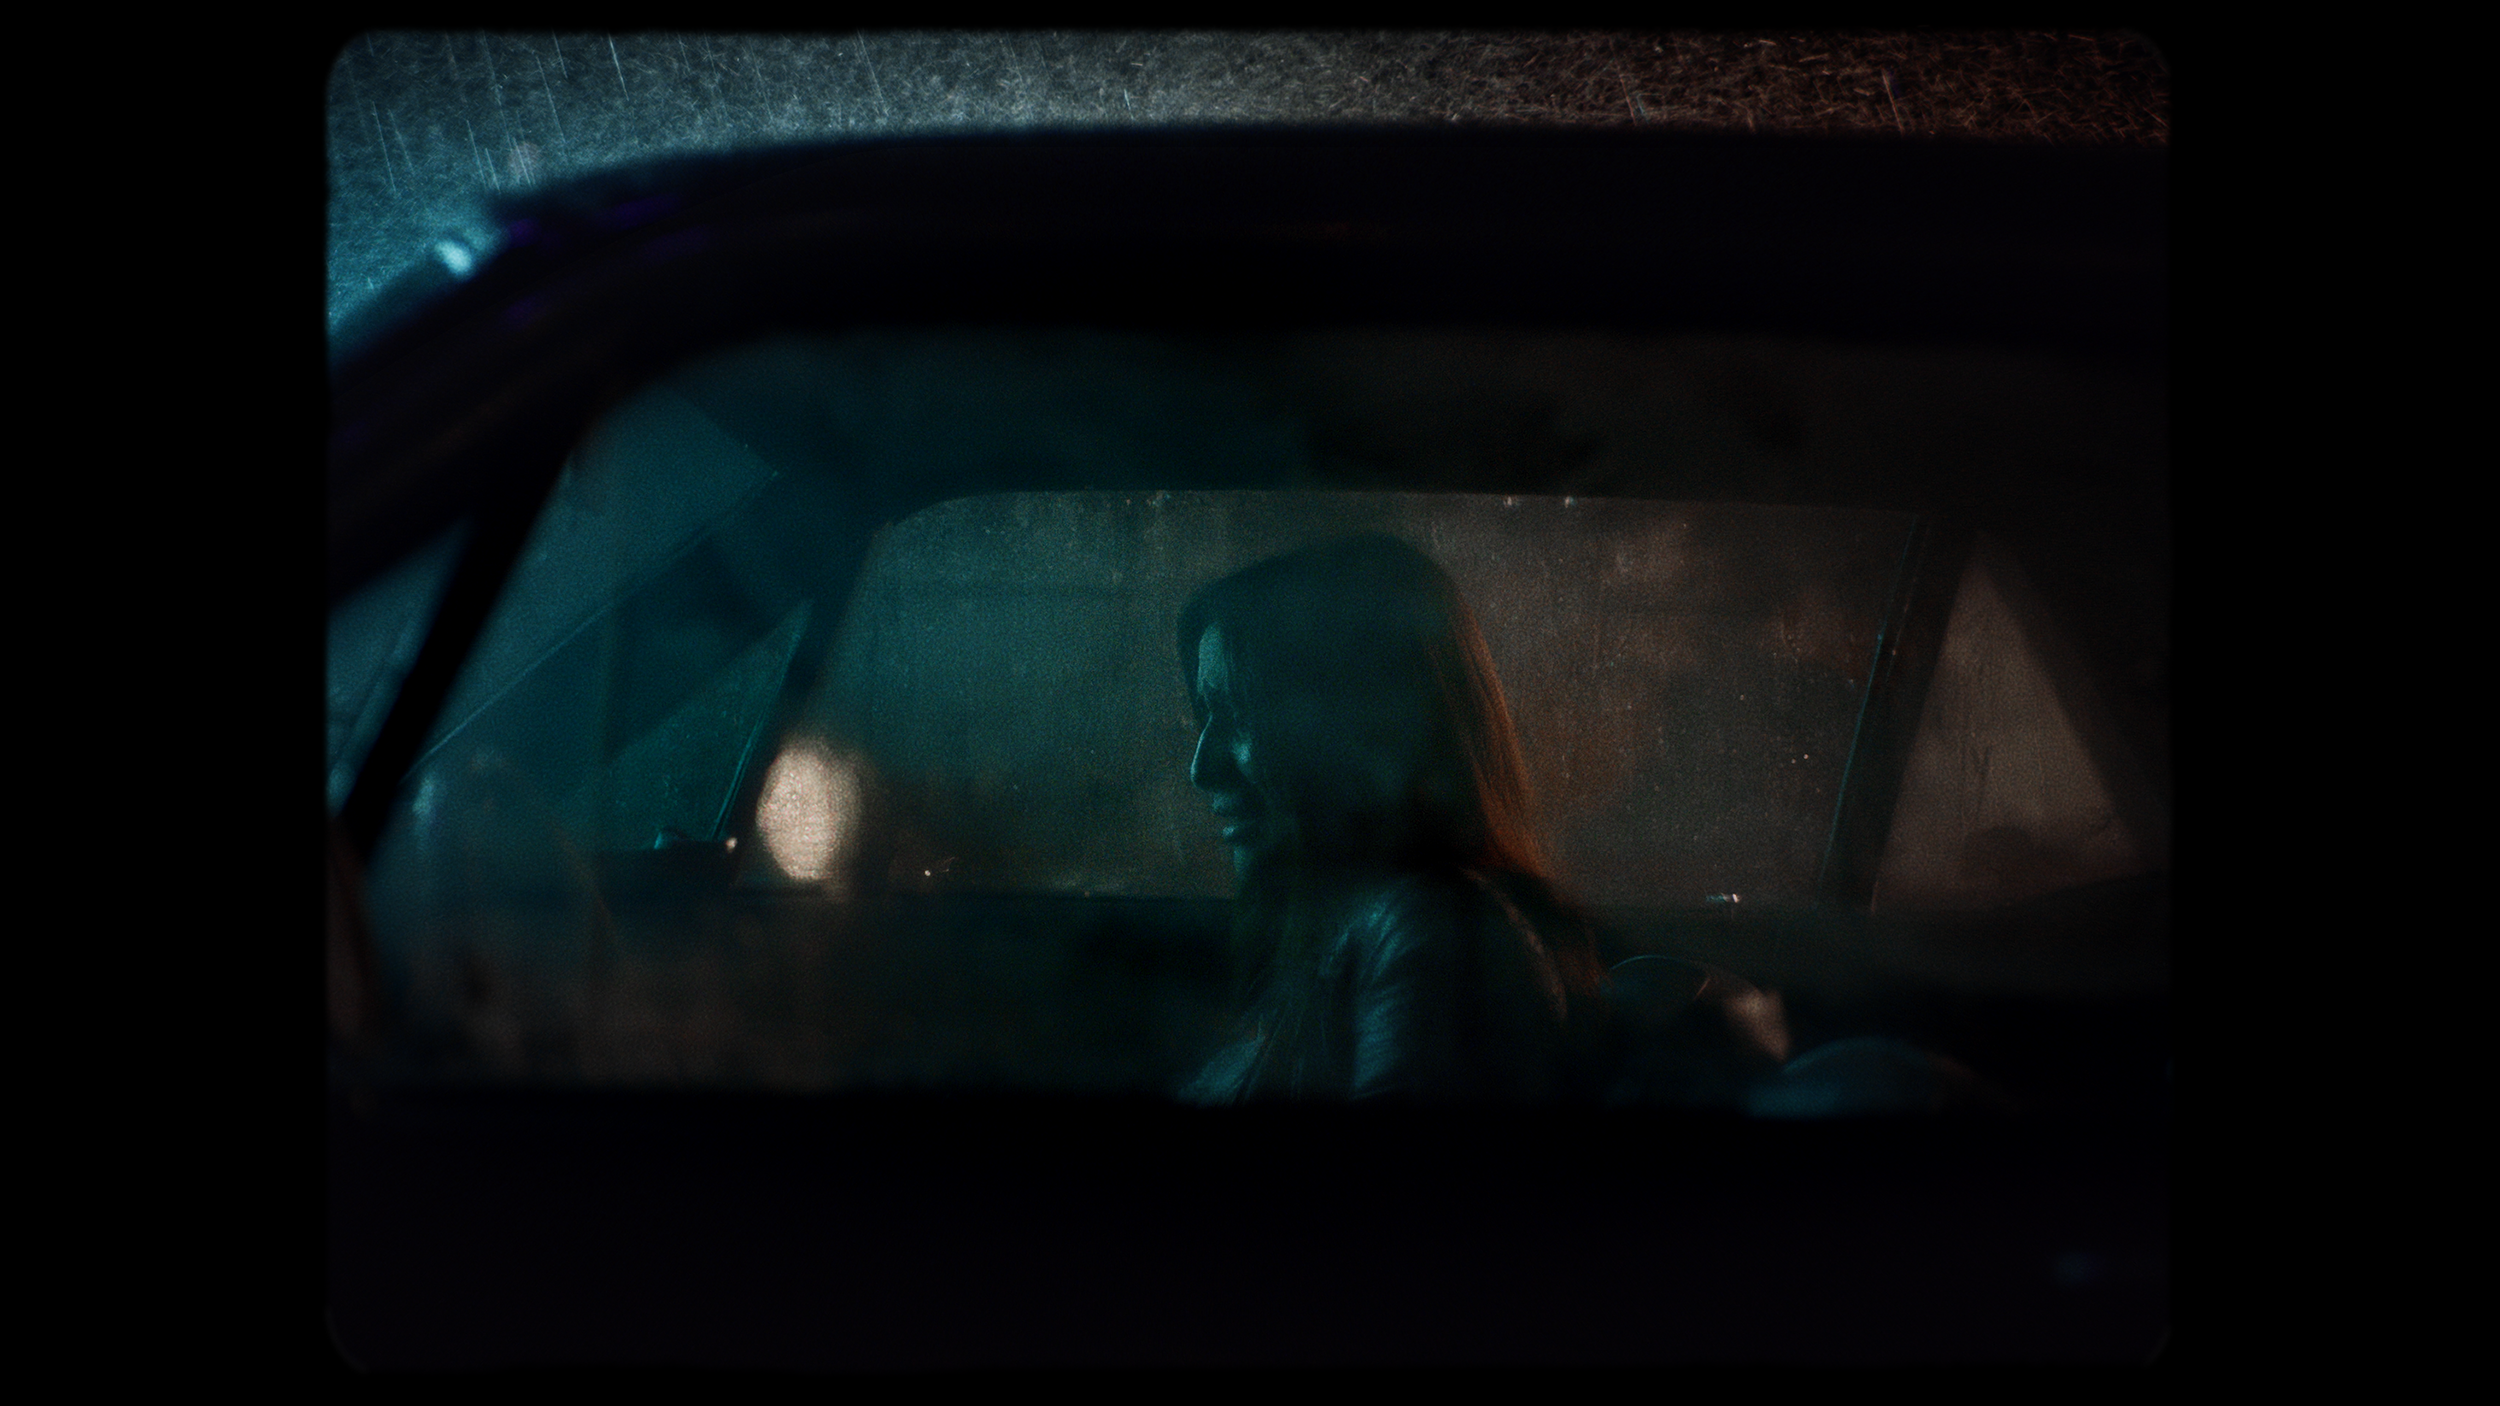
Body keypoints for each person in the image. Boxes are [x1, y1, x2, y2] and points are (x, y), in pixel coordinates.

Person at [1174, 534, 1609, 1103]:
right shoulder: (1359, 924)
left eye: (1239, 713)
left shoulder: (1427, 928)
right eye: (1208, 715)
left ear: (1357, 727)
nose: (1201, 768)